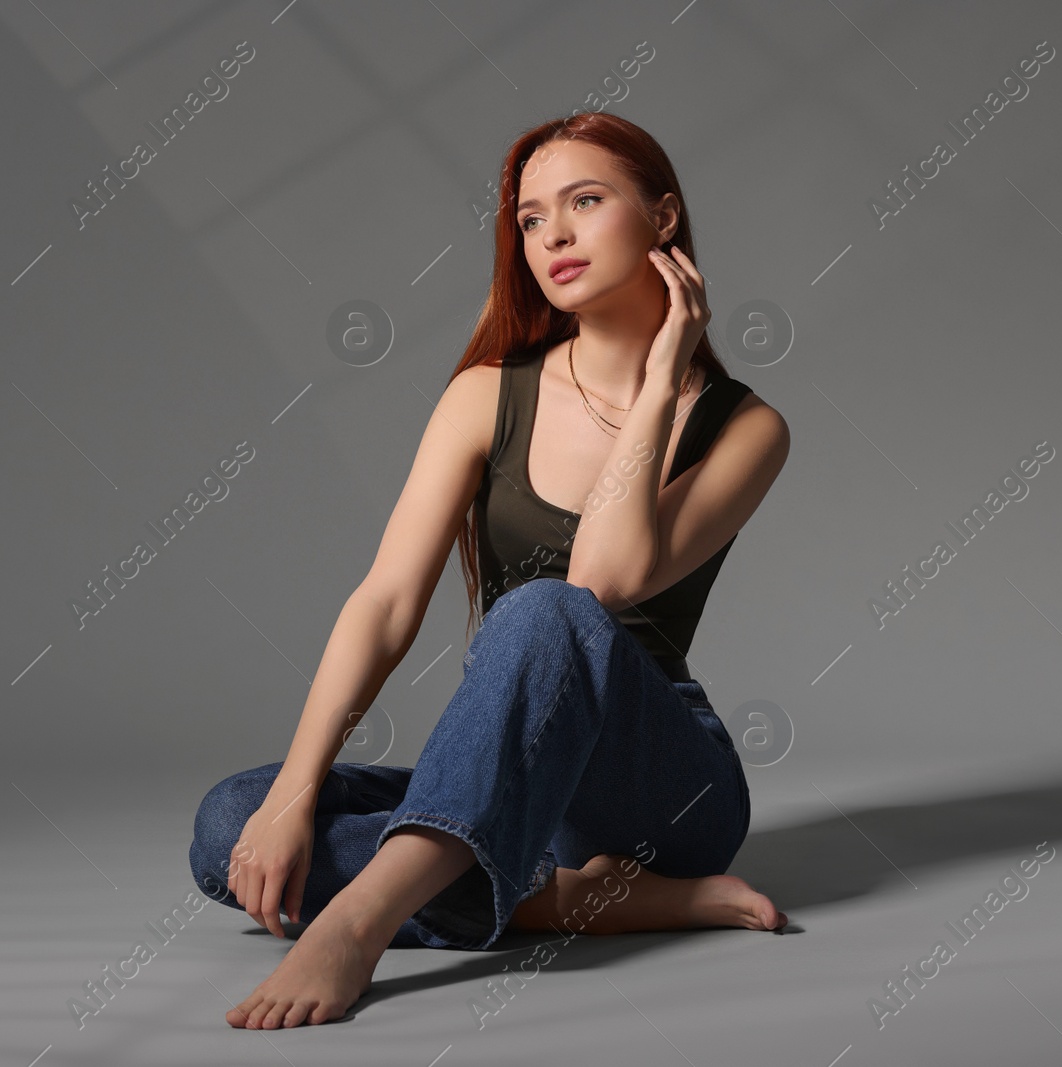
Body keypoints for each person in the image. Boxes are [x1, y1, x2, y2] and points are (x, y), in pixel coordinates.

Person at [189, 112, 792, 1030]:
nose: (553, 235)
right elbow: (386, 602)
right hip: (513, 770)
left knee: (547, 608)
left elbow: (602, 578)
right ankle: (565, 901)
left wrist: (665, 373)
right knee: (232, 822)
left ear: (664, 218)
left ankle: (361, 917)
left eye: (585, 202)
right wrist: (295, 792)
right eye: (530, 217)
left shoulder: (744, 427)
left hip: (659, 790)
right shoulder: (486, 395)